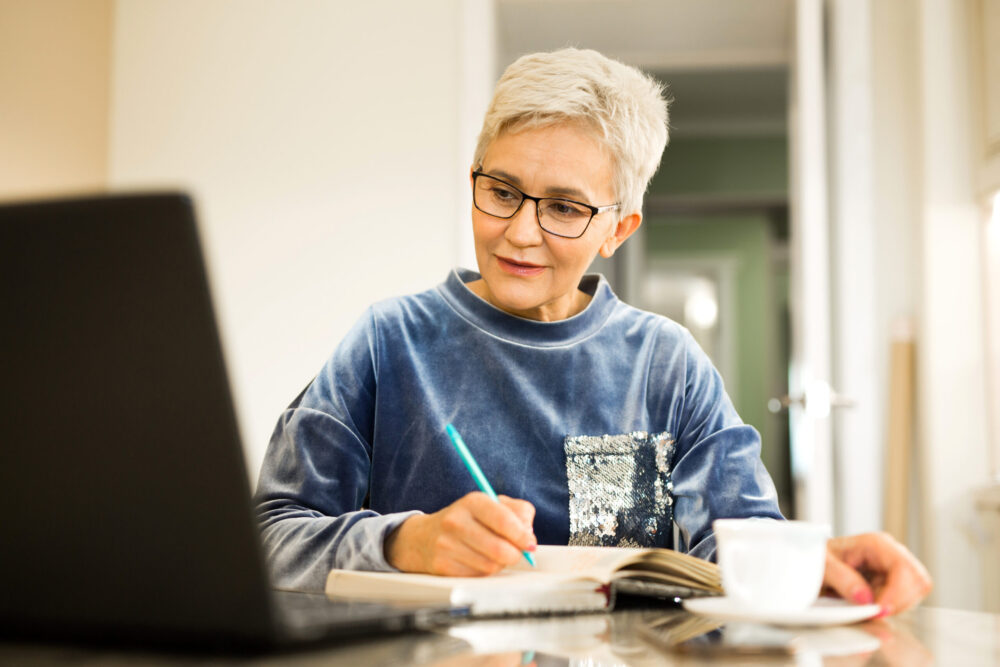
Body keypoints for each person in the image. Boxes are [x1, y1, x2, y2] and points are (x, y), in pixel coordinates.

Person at [254, 48, 931, 616]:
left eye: (566, 208)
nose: (521, 231)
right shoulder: (388, 342)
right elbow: (265, 537)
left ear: (618, 228)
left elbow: (737, 547)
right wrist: (402, 543)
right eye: (502, 191)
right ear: (473, 182)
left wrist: (815, 564)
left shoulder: (667, 366)